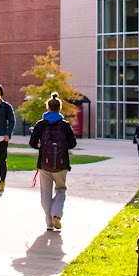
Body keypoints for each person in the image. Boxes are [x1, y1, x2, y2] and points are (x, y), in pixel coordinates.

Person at [29, 92, 78, 231]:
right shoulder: (65, 125)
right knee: (61, 189)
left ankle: (49, 223)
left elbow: (32, 143)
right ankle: (56, 214)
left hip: (44, 164)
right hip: (61, 165)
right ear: (59, 108)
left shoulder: (40, 125)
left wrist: (42, 146)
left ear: (47, 108)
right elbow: (73, 143)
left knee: (45, 193)